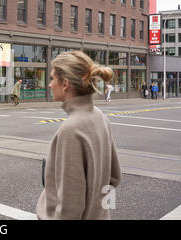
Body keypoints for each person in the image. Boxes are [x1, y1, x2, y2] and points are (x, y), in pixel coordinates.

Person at [36, 50, 121, 220]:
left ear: (65, 84)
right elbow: (114, 177)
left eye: (52, 78)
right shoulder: (100, 117)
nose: (50, 84)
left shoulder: (71, 129)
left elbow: (70, 205)